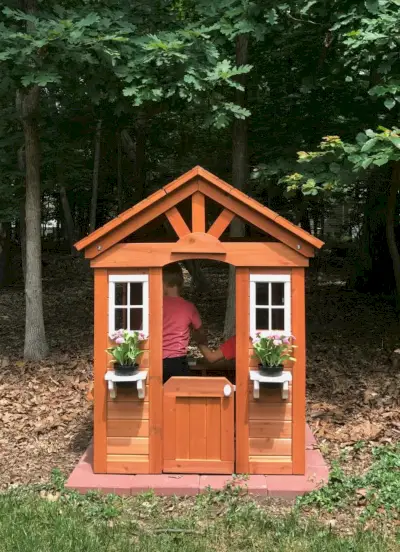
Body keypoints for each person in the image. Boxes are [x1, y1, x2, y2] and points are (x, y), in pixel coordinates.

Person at [163, 263, 205, 383]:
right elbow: (201, 334)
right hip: (177, 362)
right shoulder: (188, 307)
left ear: (164, 284)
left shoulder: (153, 306)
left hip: (155, 361)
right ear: (181, 283)